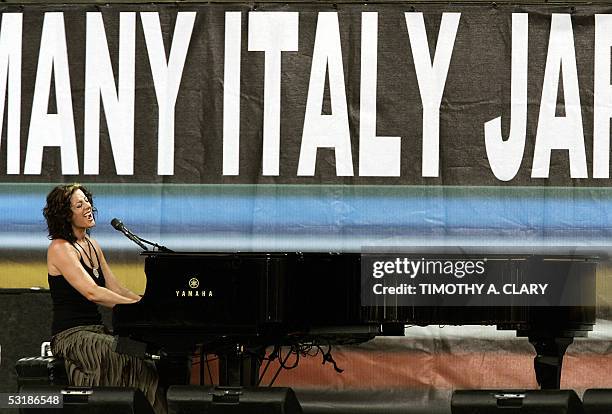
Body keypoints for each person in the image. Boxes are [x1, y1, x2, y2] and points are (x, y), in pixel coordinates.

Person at [44, 183, 166, 413]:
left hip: (96, 330)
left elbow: (115, 287)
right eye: (79, 205)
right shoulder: (60, 248)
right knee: (125, 357)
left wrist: (146, 304)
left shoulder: (91, 244)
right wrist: (137, 307)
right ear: (65, 214)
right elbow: (93, 292)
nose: (87, 206)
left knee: (146, 360)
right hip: (72, 336)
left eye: (87, 201)